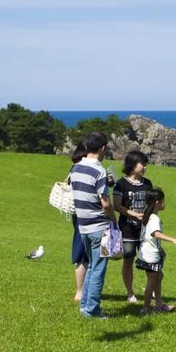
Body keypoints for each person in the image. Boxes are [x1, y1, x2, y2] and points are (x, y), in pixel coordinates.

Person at [69, 131, 117, 319]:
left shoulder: (75, 168)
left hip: (83, 226)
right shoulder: (100, 171)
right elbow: (105, 203)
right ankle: (92, 310)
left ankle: (85, 305)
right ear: (103, 148)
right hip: (99, 226)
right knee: (98, 268)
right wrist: (113, 220)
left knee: (91, 266)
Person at [112, 151, 152, 305]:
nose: (145, 167)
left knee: (149, 259)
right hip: (127, 229)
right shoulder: (121, 184)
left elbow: (152, 203)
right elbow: (117, 206)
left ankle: (152, 290)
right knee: (128, 260)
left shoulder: (147, 183)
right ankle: (130, 293)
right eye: (143, 164)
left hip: (144, 229)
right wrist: (135, 215)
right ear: (133, 165)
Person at [136, 188, 176, 314]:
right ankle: (146, 308)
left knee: (158, 276)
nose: (164, 203)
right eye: (163, 200)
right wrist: (173, 240)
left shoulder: (149, 214)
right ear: (157, 202)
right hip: (150, 254)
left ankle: (158, 304)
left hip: (148, 252)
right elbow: (155, 233)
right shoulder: (153, 218)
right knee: (152, 281)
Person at [67, 142, 89, 304]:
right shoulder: (80, 168)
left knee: (85, 253)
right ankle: (80, 291)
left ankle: (83, 290)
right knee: (83, 254)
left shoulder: (75, 168)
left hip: (80, 215)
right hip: (85, 216)